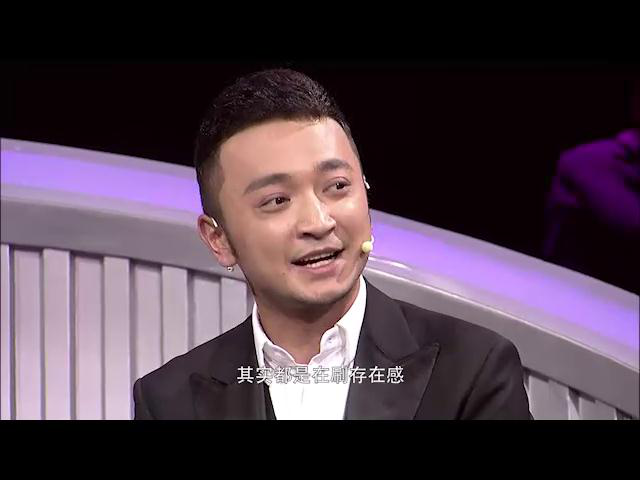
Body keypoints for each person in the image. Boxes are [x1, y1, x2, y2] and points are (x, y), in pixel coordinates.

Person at [133, 68, 531, 419]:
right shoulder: (169, 401)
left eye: (337, 186)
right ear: (218, 240)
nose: (318, 222)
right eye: (277, 200)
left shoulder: (472, 370)